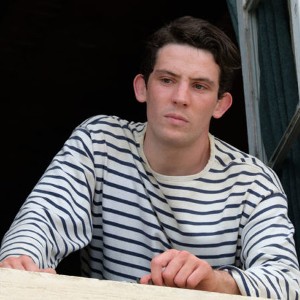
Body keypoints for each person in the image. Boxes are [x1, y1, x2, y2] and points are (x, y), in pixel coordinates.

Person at [0, 15, 299, 298]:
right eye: (167, 80)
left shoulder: (253, 181)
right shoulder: (99, 142)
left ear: (220, 105)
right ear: (142, 88)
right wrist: (21, 262)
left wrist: (214, 281)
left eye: (199, 86)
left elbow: (287, 283)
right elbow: (41, 222)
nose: (180, 97)